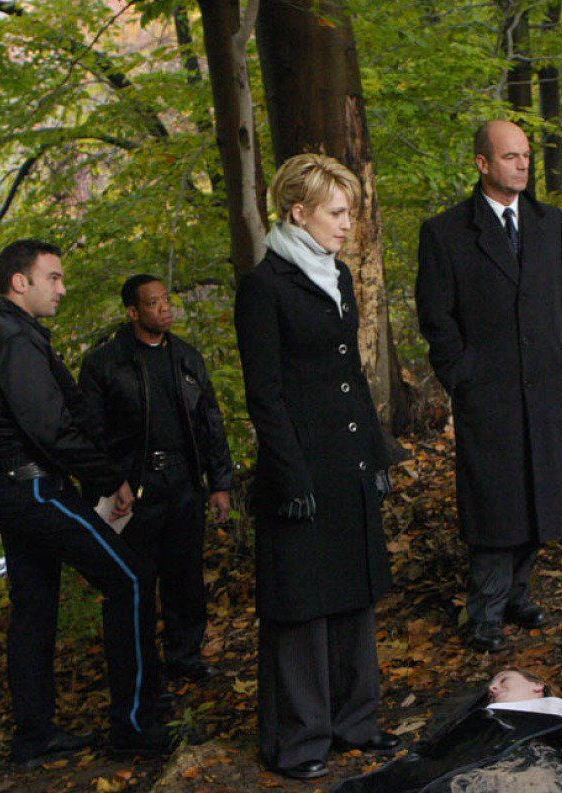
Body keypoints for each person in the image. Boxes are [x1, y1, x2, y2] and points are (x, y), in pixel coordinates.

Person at [0, 240, 171, 765]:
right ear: (19, 282)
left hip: (5, 492)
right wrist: (109, 477)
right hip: (30, 488)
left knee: (34, 607)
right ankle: (134, 726)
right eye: (53, 278)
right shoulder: (11, 340)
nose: (63, 289)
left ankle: (35, 737)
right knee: (131, 578)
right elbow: (50, 428)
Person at [235, 153, 398, 781]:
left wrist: (376, 454)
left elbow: (349, 372)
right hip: (299, 467)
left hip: (347, 459)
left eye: (349, 211)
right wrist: (289, 474)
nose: (347, 223)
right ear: (298, 212)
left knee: (354, 592)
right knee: (301, 608)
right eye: (336, 212)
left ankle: (355, 723)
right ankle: (300, 742)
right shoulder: (265, 286)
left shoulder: (338, 276)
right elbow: (264, 394)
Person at [415, 120, 562, 652]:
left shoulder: (550, 223)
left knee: (540, 492)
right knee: (494, 499)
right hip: (488, 390)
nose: (522, 164)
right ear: (482, 163)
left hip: (548, 385)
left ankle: (518, 593)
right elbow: (436, 317)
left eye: (526, 155)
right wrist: (461, 374)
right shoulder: (446, 232)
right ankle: (485, 610)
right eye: (510, 156)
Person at [78, 274, 235, 682]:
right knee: (137, 579)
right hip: (135, 487)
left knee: (185, 576)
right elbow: (91, 433)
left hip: (184, 481)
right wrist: (112, 481)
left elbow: (211, 422)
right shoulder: (105, 363)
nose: (165, 308)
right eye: (153, 303)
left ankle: (185, 658)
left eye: (166, 299)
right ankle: (142, 672)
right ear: (133, 312)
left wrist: (220, 483)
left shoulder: (186, 357)